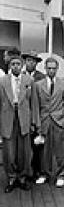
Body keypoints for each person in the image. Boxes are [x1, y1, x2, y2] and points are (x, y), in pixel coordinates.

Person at [0, 55, 40, 193]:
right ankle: (11, 177)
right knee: (9, 152)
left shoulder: (29, 80)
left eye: (18, 64)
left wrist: (35, 122)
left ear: (22, 65)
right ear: (10, 66)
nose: (16, 66)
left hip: (24, 119)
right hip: (8, 119)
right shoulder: (3, 81)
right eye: (13, 64)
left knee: (24, 151)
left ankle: (22, 177)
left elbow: (34, 103)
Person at [35, 57, 64, 188]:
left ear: (57, 69)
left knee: (61, 149)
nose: (51, 70)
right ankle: (44, 174)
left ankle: (61, 174)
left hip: (59, 120)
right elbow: (36, 105)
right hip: (44, 120)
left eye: (53, 68)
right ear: (45, 69)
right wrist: (37, 122)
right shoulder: (38, 85)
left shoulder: (63, 84)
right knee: (44, 150)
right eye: (49, 68)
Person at [21, 50, 45, 180]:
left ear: (37, 63)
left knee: (37, 146)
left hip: (37, 115)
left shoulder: (41, 77)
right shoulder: (21, 75)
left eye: (34, 61)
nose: (31, 63)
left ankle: (37, 170)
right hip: (23, 115)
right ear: (25, 62)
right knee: (24, 147)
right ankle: (24, 171)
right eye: (29, 60)